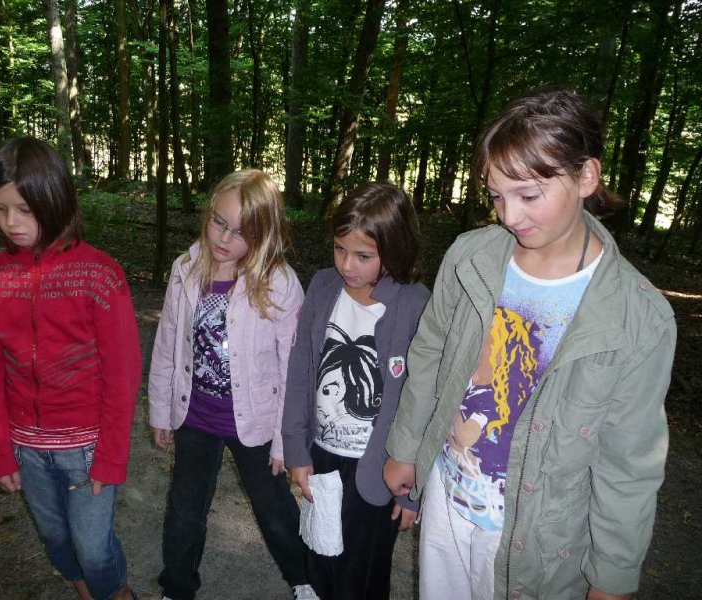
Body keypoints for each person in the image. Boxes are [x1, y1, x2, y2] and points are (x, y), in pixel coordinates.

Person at [383, 89, 677, 600]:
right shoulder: (470, 258)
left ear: (586, 177)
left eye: (528, 195)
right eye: (497, 196)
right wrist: (404, 447)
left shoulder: (639, 318)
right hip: (447, 504)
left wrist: (612, 573)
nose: (509, 216)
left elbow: (630, 462)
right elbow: (428, 354)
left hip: (539, 543)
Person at [0, 136, 142, 600]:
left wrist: (111, 456)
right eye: (0, 209)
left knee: (93, 548)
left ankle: (117, 593)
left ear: (55, 200)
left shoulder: (99, 273)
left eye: (24, 209)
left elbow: (123, 374)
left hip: (86, 448)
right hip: (26, 448)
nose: (11, 222)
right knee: (56, 541)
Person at [148, 169, 317, 600]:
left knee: (274, 509)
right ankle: (177, 587)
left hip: (257, 422)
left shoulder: (279, 283)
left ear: (264, 234)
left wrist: (285, 440)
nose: (224, 238)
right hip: (195, 415)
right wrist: (161, 410)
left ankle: (305, 581)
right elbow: (168, 343)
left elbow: (293, 368)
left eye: (241, 232)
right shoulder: (185, 269)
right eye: (218, 222)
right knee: (184, 511)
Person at [282, 182, 430, 600]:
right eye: (339, 249)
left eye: (363, 256)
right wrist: (296, 451)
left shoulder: (416, 303)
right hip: (324, 458)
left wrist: (413, 492)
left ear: (395, 249)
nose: (347, 265)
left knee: (362, 576)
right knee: (321, 560)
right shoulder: (323, 286)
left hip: (380, 468)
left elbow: (426, 399)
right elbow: (301, 370)